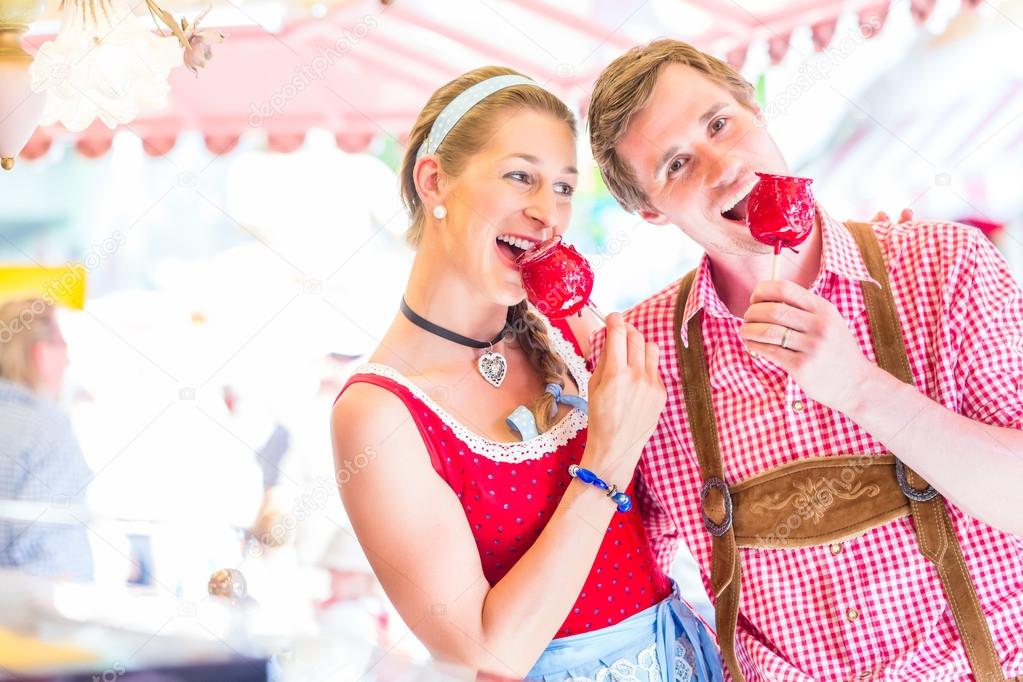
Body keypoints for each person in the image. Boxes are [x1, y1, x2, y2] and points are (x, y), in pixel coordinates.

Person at [586, 38, 1023, 681]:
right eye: (677, 164)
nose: (723, 165)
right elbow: (627, 596)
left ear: (757, 111)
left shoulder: (945, 266)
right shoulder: (645, 359)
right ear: (650, 211)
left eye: (719, 124)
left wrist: (860, 388)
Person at [330, 66, 723, 681]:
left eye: (564, 188)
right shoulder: (379, 413)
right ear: (434, 181)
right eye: (521, 177)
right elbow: (485, 652)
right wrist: (608, 460)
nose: (548, 213)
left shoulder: (572, 334)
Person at [0, 298, 93, 581]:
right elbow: (52, 568)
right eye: (63, 347)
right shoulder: (46, 429)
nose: (68, 361)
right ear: (42, 354)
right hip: (22, 622)